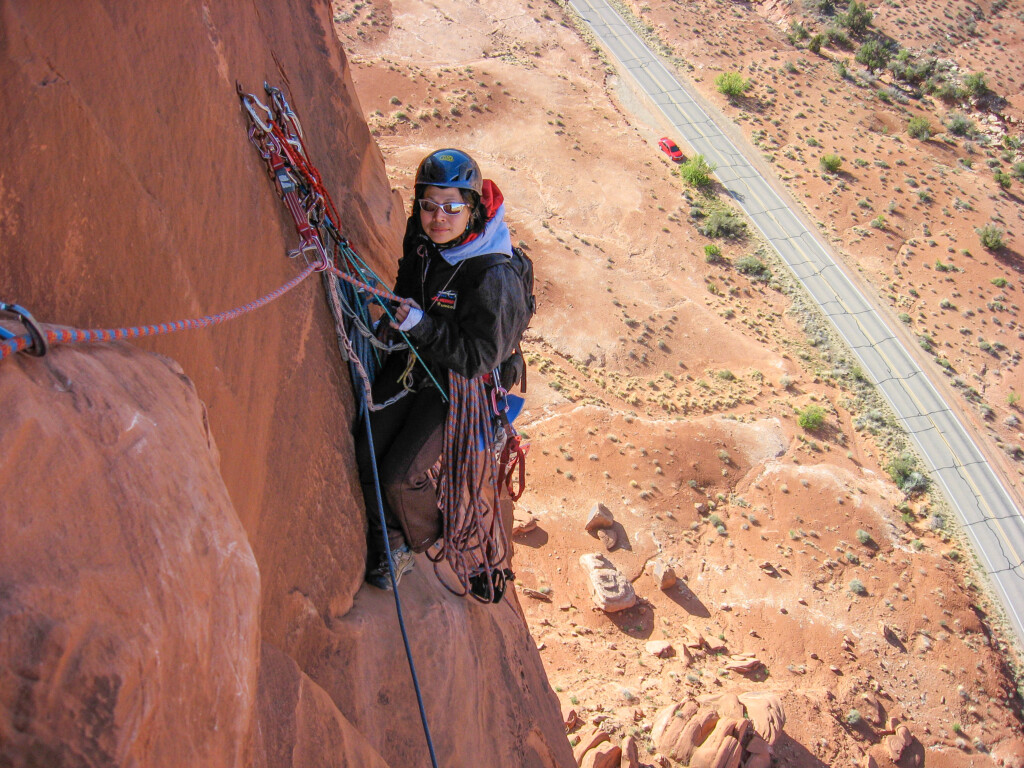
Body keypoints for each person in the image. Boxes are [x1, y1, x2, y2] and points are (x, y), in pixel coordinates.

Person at [355, 148, 528, 590]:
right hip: (416, 357)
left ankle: (430, 534)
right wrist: (396, 318)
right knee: (366, 445)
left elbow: (477, 358)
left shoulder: (495, 276)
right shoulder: (424, 236)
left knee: (399, 475)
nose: (438, 217)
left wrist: (421, 325)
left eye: (452, 207)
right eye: (429, 205)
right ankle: (391, 540)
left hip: (461, 384)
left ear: (472, 209)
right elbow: (408, 279)